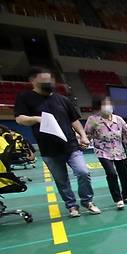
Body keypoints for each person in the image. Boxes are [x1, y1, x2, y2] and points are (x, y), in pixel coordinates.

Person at [14, 66, 100, 217]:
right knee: (62, 180)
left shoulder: (62, 99)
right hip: (49, 149)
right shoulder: (25, 98)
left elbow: (74, 120)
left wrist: (83, 135)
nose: (48, 84)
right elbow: (19, 119)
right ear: (33, 81)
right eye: (43, 82)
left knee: (83, 172)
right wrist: (36, 119)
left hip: (71, 145)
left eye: (49, 81)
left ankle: (87, 201)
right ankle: (71, 206)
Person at [85, 95, 127, 210]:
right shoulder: (93, 120)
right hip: (103, 151)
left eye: (109, 103)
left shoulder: (119, 119)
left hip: (119, 151)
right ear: (98, 106)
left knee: (124, 174)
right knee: (111, 174)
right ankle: (118, 199)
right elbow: (87, 135)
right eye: (104, 103)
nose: (108, 106)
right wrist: (82, 142)